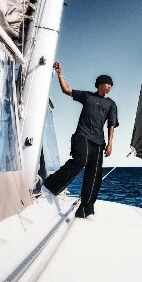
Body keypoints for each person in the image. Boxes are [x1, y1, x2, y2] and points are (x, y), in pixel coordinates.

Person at [42, 61, 119, 220]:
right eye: (107, 83)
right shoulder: (87, 96)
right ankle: (50, 185)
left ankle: (86, 209)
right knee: (80, 161)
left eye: (111, 84)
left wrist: (110, 143)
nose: (110, 86)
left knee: (95, 174)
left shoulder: (111, 104)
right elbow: (66, 90)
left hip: (98, 142)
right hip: (82, 135)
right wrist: (60, 73)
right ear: (100, 84)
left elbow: (111, 125)